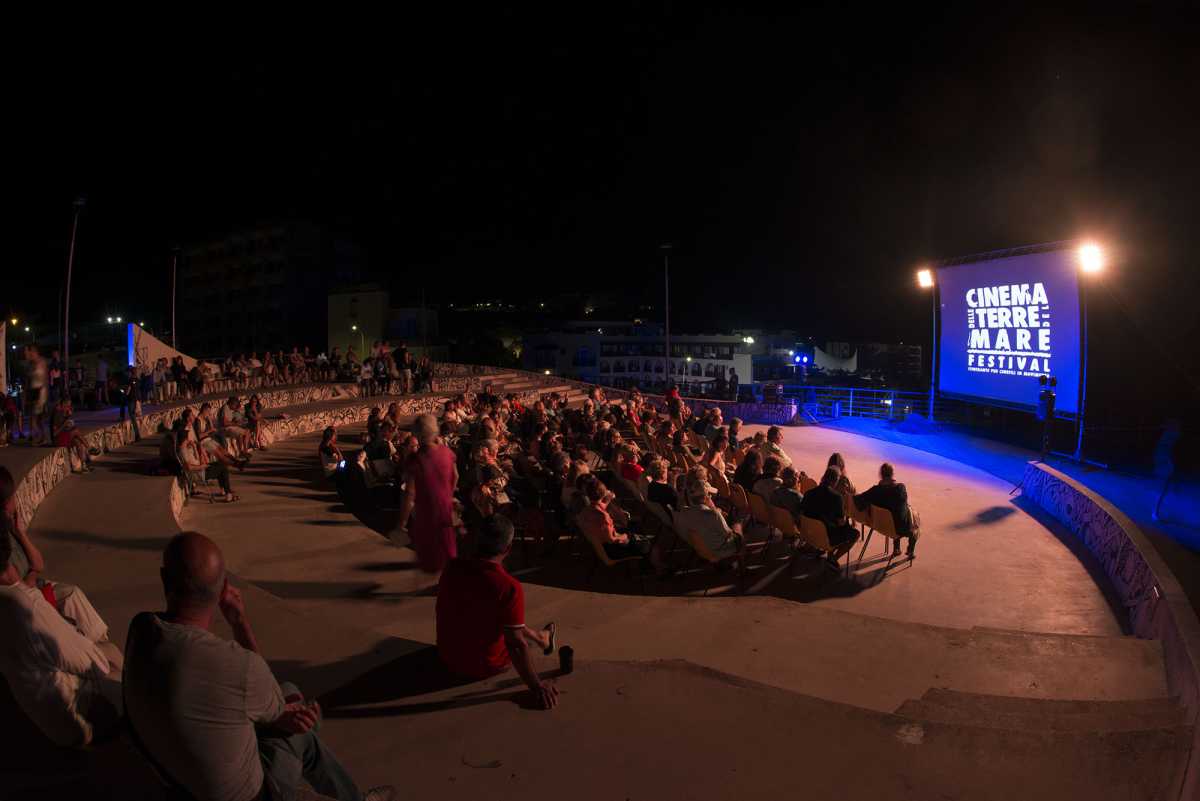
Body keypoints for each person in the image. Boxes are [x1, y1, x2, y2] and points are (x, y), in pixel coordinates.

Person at [124, 533, 395, 801]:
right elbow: (266, 693)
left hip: (175, 777)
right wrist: (239, 621)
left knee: (287, 694)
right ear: (222, 590)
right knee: (301, 731)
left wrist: (282, 709)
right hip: (253, 795)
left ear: (163, 578)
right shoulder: (237, 667)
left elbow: (260, 692)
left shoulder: (141, 628)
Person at [0, 530, 123, 746]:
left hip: (43, 709)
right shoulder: (27, 606)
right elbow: (95, 666)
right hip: (75, 720)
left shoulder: (16, 600)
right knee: (116, 664)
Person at [435, 515, 558, 708]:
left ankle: (542, 637)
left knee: (506, 618)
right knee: (515, 631)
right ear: (508, 549)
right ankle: (541, 639)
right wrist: (537, 686)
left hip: (448, 655)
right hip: (483, 664)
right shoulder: (508, 587)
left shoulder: (452, 566)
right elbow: (516, 645)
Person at [396, 414, 460, 572]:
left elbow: (409, 493)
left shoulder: (416, 460)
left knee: (431, 557)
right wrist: (448, 495)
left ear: (417, 435)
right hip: (445, 509)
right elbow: (456, 476)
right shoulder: (446, 452)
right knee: (447, 551)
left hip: (427, 513)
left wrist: (401, 524)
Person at [673, 470, 744, 561]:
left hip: (704, 548)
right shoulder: (713, 515)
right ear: (707, 496)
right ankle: (741, 565)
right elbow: (728, 534)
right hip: (719, 549)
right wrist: (734, 526)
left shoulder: (685, 511)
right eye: (709, 495)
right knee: (738, 526)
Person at [853, 462, 919, 558]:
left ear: (881, 475)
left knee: (895, 515)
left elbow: (858, 499)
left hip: (880, 525)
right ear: (892, 474)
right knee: (914, 525)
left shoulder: (875, 490)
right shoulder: (900, 488)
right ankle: (910, 551)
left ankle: (896, 549)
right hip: (897, 529)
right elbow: (903, 510)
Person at [800, 466, 860, 565]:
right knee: (855, 534)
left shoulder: (809, 493)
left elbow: (802, 511)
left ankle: (818, 550)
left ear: (823, 477)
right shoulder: (837, 498)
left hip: (809, 533)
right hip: (826, 537)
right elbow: (841, 523)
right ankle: (833, 558)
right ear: (835, 481)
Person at [24, 345, 49, 446]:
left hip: (40, 391)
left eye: (31, 352)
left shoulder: (42, 362)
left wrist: (45, 394)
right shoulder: (31, 364)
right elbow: (27, 380)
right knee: (35, 418)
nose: (30, 355)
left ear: (35, 352)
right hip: (33, 391)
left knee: (36, 418)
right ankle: (41, 437)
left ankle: (40, 437)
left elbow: (45, 380)